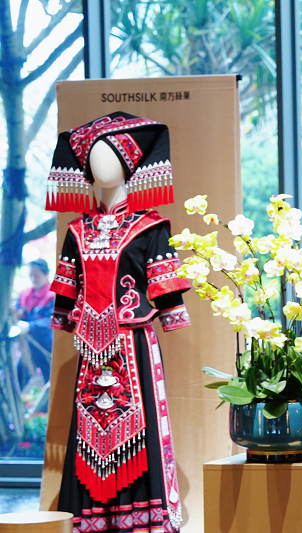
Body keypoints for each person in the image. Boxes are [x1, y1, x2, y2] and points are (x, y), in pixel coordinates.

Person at [47, 112, 190, 532]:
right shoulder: (77, 230)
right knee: (89, 427)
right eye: (94, 155)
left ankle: (144, 513)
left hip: (133, 344)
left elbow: (167, 293)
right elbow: (66, 291)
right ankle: (93, 517)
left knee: (138, 424)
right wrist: (67, 317)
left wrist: (170, 314)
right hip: (90, 350)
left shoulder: (150, 227)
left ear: (129, 162)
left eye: (108, 154)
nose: (100, 164)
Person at [14, 258, 55, 388]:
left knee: (50, 379)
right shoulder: (24, 294)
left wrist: (30, 326)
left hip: (45, 345)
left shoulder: (53, 295)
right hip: (27, 346)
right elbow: (17, 313)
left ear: (46, 274)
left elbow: (52, 320)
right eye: (31, 275)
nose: (33, 278)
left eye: (36, 275)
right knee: (18, 377)